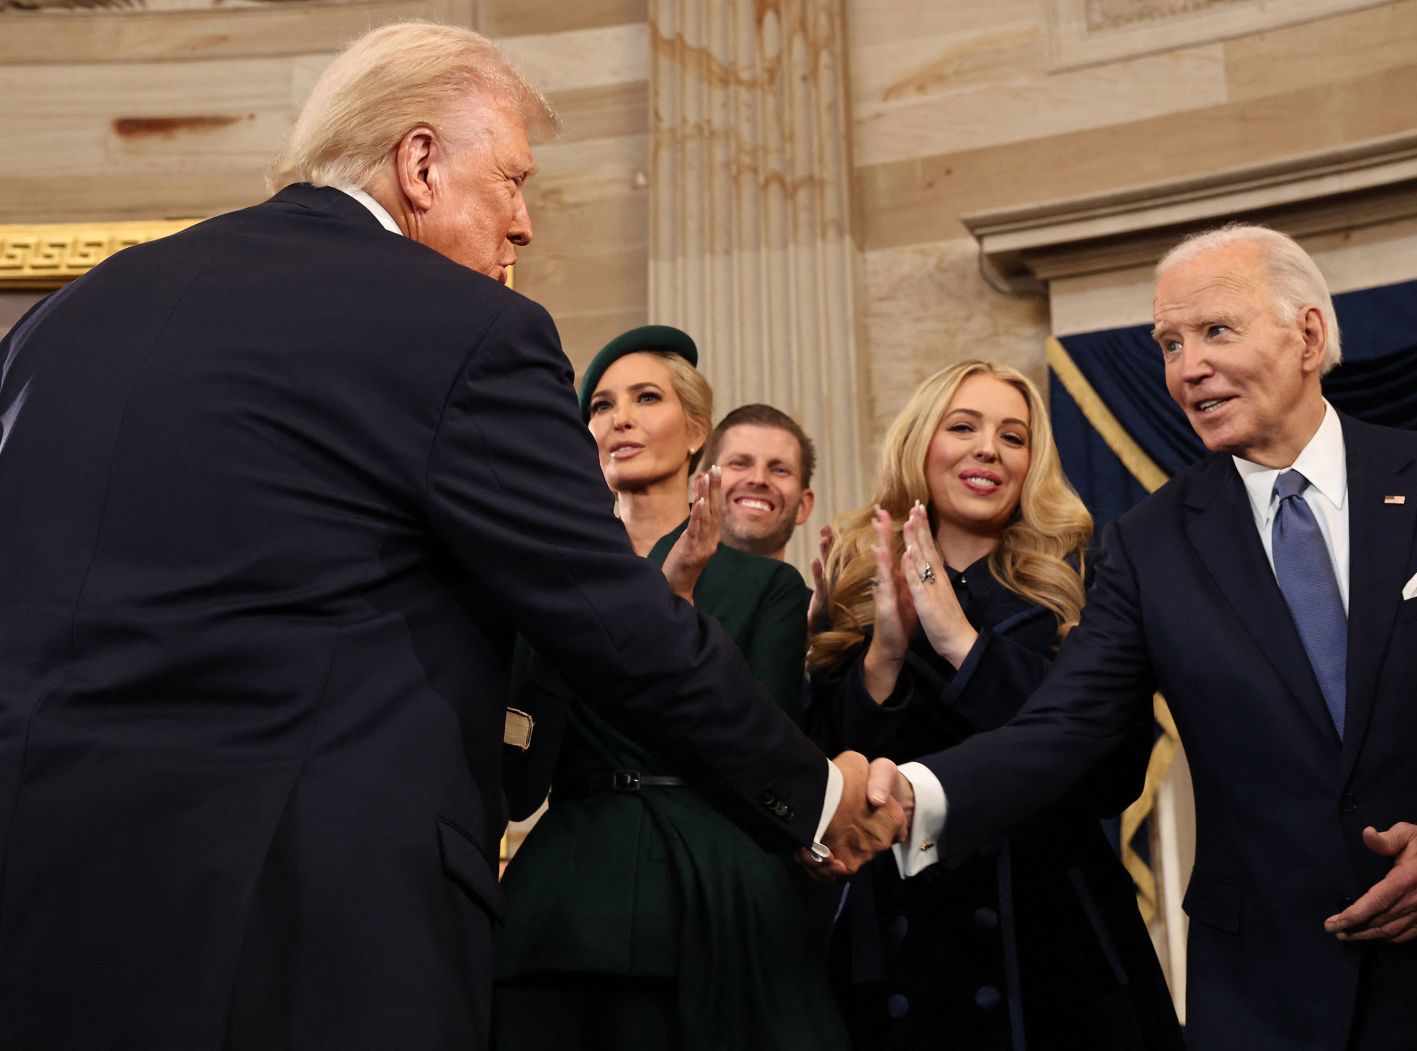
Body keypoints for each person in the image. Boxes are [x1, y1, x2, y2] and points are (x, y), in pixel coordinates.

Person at [0, 23, 897, 1049]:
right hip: (301, 930)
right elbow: (608, 614)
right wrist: (821, 796)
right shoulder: (462, 327)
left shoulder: (66, 318)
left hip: (42, 905)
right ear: (418, 162)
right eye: (512, 181)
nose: (522, 227)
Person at [869, 225, 1417, 1049]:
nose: (1185, 367)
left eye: (1215, 331)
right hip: (1270, 997)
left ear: (1308, 334)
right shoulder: (1147, 542)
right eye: (1168, 343)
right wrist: (909, 794)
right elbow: (1065, 728)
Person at [804, 361, 1180, 1050]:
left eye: (1013, 436)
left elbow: (1112, 775)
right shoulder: (857, 584)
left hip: (1054, 946)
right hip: (897, 955)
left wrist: (963, 645)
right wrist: (884, 652)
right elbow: (832, 783)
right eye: (963, 426)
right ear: (921, 443)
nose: (989, 449)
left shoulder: (1087, 585)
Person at [492, 326, 846, 1049]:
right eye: (600, 405)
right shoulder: (548, 580)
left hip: (709, 898)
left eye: (644, 397)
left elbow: (759, 762)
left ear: (694, 434)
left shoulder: (765, 586)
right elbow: (519, 784)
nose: (618, 417)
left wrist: (674, 606)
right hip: (564, 900)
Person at [700, 402, 817, 560]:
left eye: (779, 470)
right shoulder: (662, 584)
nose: (758, 479)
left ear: (803, 506)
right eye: (739, 464)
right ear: (702, 488)